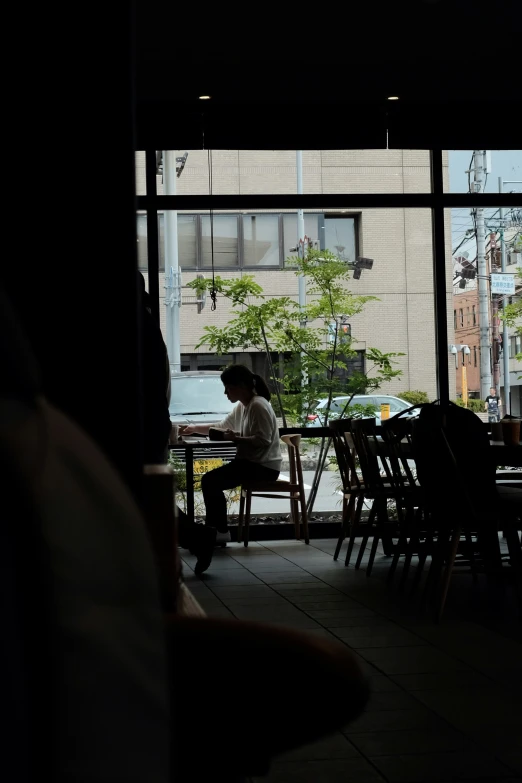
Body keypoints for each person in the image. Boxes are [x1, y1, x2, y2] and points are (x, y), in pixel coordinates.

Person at [138, 273, 216, 573]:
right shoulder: (149, 328)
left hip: (142, 428)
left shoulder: (138, 329)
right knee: (148, 495)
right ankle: (196, 538)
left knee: (144, 496)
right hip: (153, 425)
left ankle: (191, 542)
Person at [181, 365, 282, 550]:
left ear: (241, 386)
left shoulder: (258, 405)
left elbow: (264, 440)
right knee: (210, 481)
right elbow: (222, 425)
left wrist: (236, 438)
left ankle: (219, 531)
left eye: (228, 387)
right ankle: (218, 530)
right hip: (251, 464)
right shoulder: (244, 406)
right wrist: (194, 428)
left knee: (210, 481)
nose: (225, 392)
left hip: (263, 467)